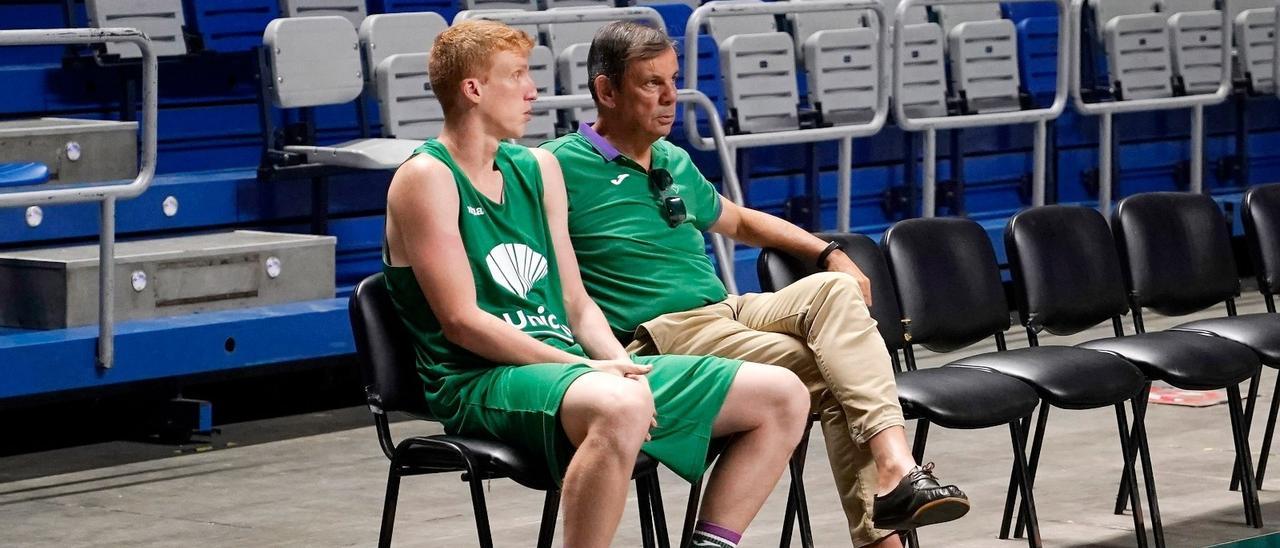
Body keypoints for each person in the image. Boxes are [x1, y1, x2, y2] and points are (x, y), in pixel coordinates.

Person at [382, 20, 810, 548]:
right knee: (619, 404)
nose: (532, 89)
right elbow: (463, 323)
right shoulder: (426, 177)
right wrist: (588, 368)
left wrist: (619, 365)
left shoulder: (537, 168)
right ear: (473, 89)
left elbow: (574, 302)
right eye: (516, 76)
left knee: (782, 394)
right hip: (479, 381)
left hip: (574, 372)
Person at [542, 21, 970, 547]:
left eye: (675, 80)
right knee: (838, 376)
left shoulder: (672, 159)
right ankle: (887, 521)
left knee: (835, 292)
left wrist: (828, 252)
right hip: (663, 333)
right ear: (606, 91)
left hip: (727, 310)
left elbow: (741, 221)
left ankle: (895, 467)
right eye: (652, 83)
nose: (672, 97)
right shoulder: (557, 166)